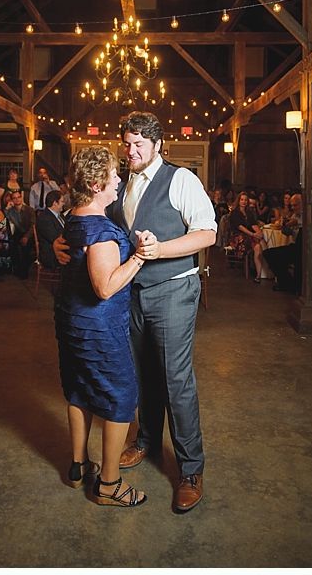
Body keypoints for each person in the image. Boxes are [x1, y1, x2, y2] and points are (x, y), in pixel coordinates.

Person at [58, 111, 217, 512]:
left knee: (175, 379)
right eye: (126, 144)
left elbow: (207, 232)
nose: (130, 152)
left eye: (139, 145)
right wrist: (60, 247)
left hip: (173, 290)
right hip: (129, 295)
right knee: (139, 371)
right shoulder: (121, 183)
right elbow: (94, 230)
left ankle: (190, 469)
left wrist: (160, 250)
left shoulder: (182, 180)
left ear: (158, 145)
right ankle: (145, 440)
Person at [55, 146, 151, 507]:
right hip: (98, 327)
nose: (118, 182)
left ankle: (79, 466)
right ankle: (109, 485)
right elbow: (105, 286)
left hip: (70, 319)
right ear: (96, 185)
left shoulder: (74, 218)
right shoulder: (102, 230)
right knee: (122, 395)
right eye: (113, 176)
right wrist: (140, 256)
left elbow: (71, 253)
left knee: (79, 389)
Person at [227, 190, 266, 284]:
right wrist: (253, 234)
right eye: (242, 200)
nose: (244, 202)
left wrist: (259, 233)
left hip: (249, 236)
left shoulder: (249, 213)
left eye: (245, 200)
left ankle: (259, 275)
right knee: (256, 241)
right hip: (238, 236)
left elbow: (253, 225)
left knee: (259, 245)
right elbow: (240, 227)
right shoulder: (235, 213)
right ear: (238, 201)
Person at [5, 190, 35, 279]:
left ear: (21, 198)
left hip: (29, 233)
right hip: (18, 233)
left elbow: (33, 226)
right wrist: (6, 209)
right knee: (12, 245)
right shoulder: (11, 211)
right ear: (12, 200)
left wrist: (26, 237)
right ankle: (17, 269)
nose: (17, 199)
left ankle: (23, 271)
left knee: (26, 249)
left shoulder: (29, 210)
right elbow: (5, 218)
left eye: (19, 197)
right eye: (14, 198)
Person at [35, 190, 66, 270]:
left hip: (61, 249)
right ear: (55, 203)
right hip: (51, 254)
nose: (64, 204)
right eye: (62, 201)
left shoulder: (60, 215)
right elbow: (55, 238)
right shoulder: (44, 218)